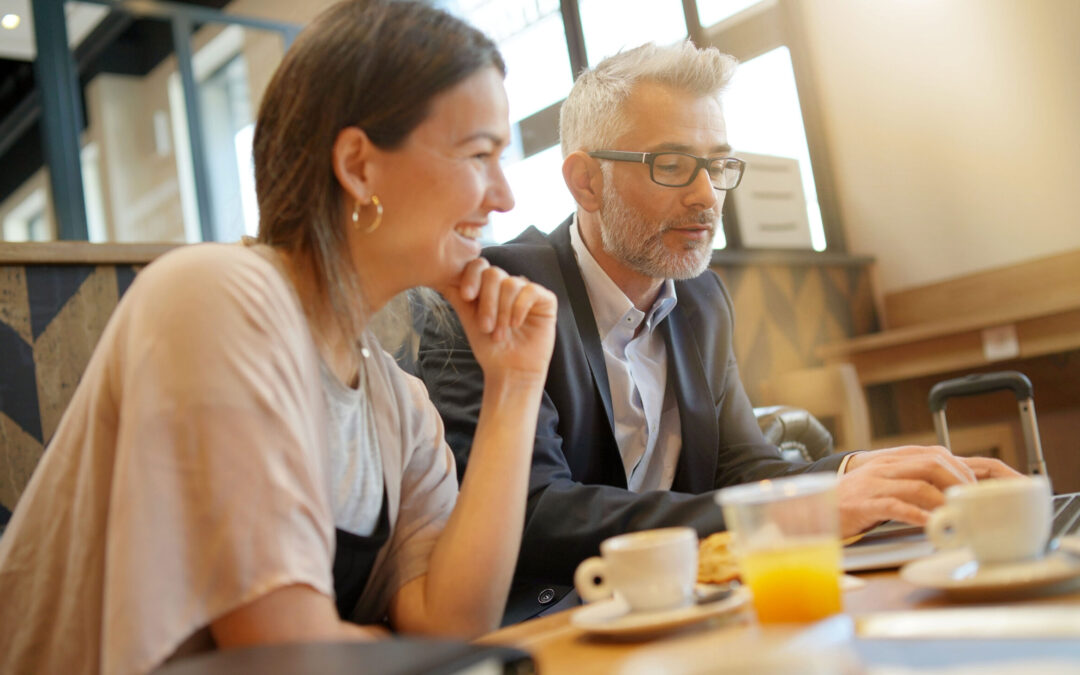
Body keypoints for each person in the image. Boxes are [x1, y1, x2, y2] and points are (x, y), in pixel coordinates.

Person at [0, 2, 556, 673]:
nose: (504, 196)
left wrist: (515, 385)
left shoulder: (397, 403)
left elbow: (455, 624)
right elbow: (285, 650)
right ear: (359, 166)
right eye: (479, 154)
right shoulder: (215, 295)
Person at [413, 40, 1020, 624]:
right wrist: (807, 511)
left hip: (691, 605)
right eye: (673, 165)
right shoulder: (495, 293)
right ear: (586, 182)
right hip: (553, 620)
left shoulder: (702, 298)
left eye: (719, 164)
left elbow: (744, 469)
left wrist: (859, 472)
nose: (706, 196)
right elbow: (537, 511)